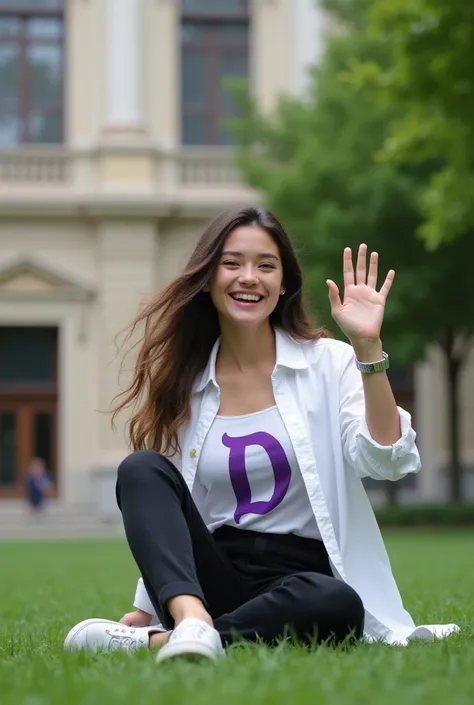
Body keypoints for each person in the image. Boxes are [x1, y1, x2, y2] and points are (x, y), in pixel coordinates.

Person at [64, 207, 459, 661]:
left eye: (266, 266)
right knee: (141, 468)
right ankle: (191, 619)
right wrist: (148, 603)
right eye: (231, 264)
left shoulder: (329, 364)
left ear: (285, 282)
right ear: (209, 277)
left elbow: (388, 462)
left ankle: (172, 640)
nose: (248, 277)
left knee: (337, 603)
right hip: (215, 575)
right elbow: (174, 503)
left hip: (301, 580)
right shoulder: (186, 383)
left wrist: (368, 349)